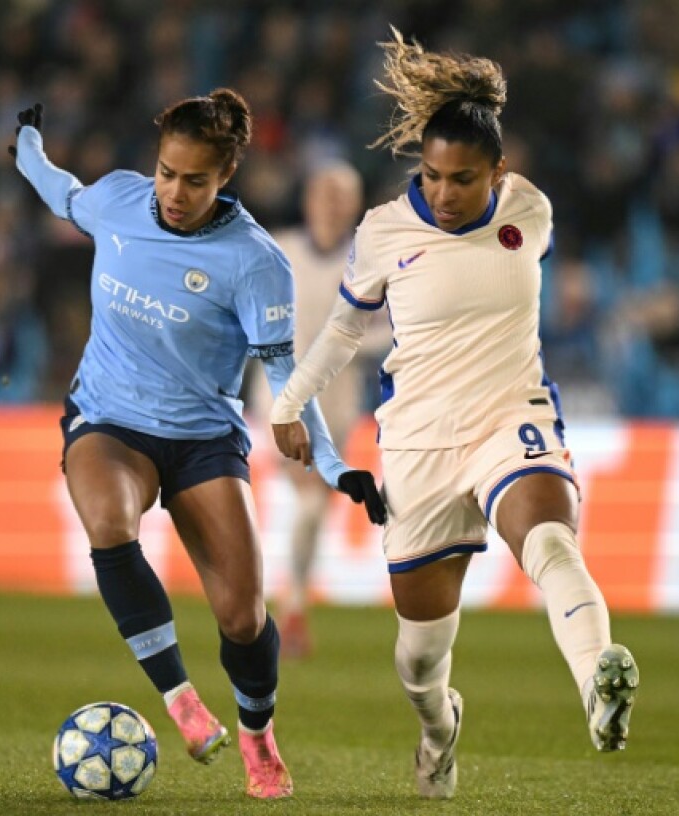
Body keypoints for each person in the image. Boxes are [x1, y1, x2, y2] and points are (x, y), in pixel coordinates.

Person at [269, 31, 640, 799]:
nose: (442, 193)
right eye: (431, 176)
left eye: (463, 179)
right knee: (417, 660)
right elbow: (343, 328)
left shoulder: (529, 212)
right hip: (419, 444)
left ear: (499, 173)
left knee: (550, 540)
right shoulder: (381, 232)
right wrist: (288, 400)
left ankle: (598, 683)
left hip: (512, 416)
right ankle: (439, 729)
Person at [9, 91, 385, 800]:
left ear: (227, 175)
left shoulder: (255, 263)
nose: (174, 193)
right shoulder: (120, 202)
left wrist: (336, 468)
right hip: (108, 421)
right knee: (110, 526)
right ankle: (180, 699)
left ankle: (257, 734)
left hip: (203, 438)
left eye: (195, 180)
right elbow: (63, 193)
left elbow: (289, 381)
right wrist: (28, 145)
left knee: (243, 617)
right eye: (165, 172)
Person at [268, 161, 392, 657]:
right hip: (282, 400)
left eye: (343, 197)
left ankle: (290, 598)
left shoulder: (369, 262)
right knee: (310, 497)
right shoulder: (279, 251)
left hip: (339, 405)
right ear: (309, 199)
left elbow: (391, 328)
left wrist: (345, 345)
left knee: (315, 507)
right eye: (325, 193)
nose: (332, 204)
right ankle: (290, 604)